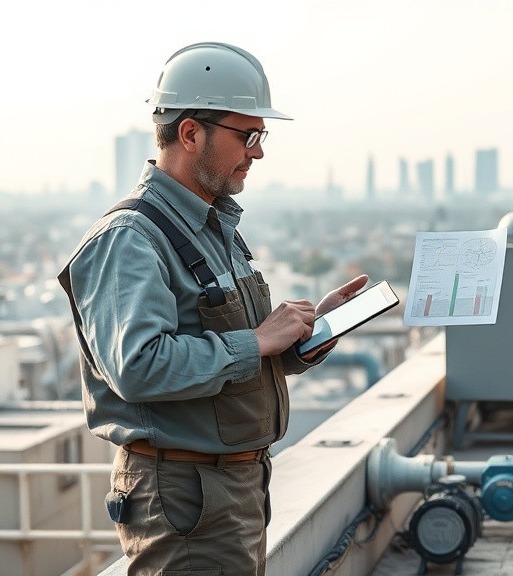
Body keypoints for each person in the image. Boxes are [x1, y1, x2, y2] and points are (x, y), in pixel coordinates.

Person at [58, 42, 368, 575]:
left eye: (260, 136)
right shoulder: (131, 239)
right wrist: (257, 341)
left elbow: (241, 360)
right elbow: (139, 367)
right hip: (185, 502)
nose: (258, 152)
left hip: (232, 492)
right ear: (189, 133)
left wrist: (305, 336)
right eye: (248, 136)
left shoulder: (213, 230)